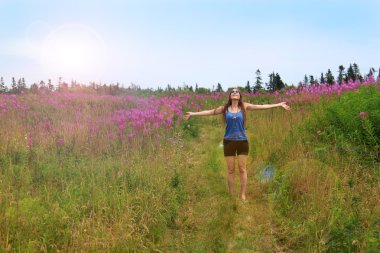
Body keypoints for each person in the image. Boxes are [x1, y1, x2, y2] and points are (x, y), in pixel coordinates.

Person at [184, 87, 291, 201]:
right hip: (229, 141)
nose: (235, 93)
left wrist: (278, 104)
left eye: (237, 92)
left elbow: (262, 106)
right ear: (230, 96)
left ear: (239, 96)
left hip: (242, 141)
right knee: (230, 170)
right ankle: (231, 195)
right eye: (233, 92)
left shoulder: (244, 106)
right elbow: (209, 112)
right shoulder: (224, 108)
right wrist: (193, 113)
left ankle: (242, 195)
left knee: (242, 169)